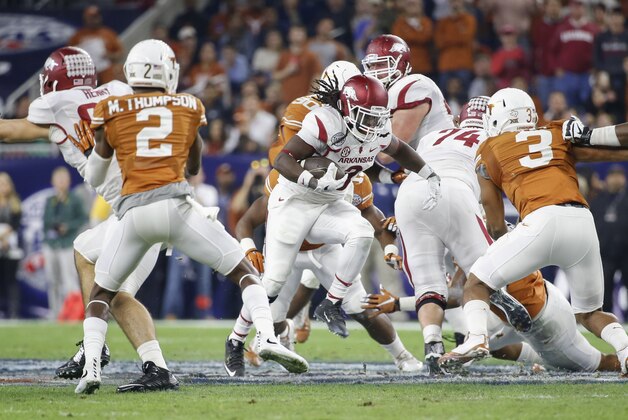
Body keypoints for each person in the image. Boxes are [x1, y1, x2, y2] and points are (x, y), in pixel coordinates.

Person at [76, 39, 307, 394]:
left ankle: (91, 368)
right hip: (177, 206)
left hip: (134, 213)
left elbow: (94, 176)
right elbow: (195, 164)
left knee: (100, 294)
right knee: (245, 274)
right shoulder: (187, 104)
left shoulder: (112, 107)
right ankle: (264, 336)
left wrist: (97, 147)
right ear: (167, 70)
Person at [0, 46, 183, 392]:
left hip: (136, 208)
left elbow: (9, 131)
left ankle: (142, 362)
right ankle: (96, 344)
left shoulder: (54, 106)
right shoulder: (118, 90)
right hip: (154, 200)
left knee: (115, 292)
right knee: (86, 251)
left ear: (53, 80)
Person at [439, 88, 628, 375]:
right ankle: (625, 350)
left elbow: (494, 222)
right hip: (582, 220)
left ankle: (476, 338)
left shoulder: (489, 148)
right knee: (590, 313)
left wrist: (508, 239)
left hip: (541, 220)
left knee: (477, 284)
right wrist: (588, 134)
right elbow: (613, 146)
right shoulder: (556, 132)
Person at [266, 73, 441, 339]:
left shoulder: (372, 140)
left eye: (376, 116)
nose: (372, 123)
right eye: (366, 115)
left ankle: (331, 304)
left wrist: (428, 173)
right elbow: (282, 160)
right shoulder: (324, 122)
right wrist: (309, 179)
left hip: (329, 210)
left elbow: (399, 149)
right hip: (296, 202)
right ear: (347, 110)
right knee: (273, 284)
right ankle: (240, 336)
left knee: (360, 234)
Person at [228, 170, 421, 376]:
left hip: (326, 248)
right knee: (273, 318)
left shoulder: (355, 180)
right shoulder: (287, 174)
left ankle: (402, 355)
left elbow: (376, 223)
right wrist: (249, 248)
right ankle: (282, 330)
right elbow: (247, 220)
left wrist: (390, 250)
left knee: (359, 304)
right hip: (285, 248)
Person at [394, 96, 532, 372]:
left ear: (459, 119)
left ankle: (432, 345)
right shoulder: (492, 140)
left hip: (409, 195)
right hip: (455, 190)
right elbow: (490, 199)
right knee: (483, 272)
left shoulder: (433, 135)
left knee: (428, 285)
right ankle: (500, 302)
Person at [365, 270, 623, 373]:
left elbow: (456, 294)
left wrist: (400, 304)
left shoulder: (483, 231)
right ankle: (539, 358)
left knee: (600, 364)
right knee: (500, 348)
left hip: (540, 314)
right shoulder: (476, 230)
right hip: (527, 308)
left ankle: (622, 355)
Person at [361, 34, 455, 164]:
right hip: (430, 163)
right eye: (371, 65)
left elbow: (387, 153)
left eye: (381, 64)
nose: (374, 71)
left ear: (401, 64)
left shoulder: (413, 86)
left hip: (445, 159)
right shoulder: (385, 95)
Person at [42, 166, 87, 319]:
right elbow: (46, 222)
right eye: (58, 179)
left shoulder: (74, 199)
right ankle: (55, 313)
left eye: (63, 179)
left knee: (69, 279)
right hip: (52, 244)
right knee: (52, 280)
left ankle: (71, 313)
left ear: (68, 181)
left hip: (67, 243)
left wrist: (68, 227)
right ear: (53, 181)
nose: (61, 182)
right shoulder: (50, 200)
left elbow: (82, 218)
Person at [589, 165, 628, 315]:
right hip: (605, 253)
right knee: (605, 290)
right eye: (613, 175)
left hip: (626, 252)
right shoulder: (599, 199)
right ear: (607, 178)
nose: (616, 179)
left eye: (619, 175)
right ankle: (607, 320)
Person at [68, 5, 123, 84]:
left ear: (100, 17)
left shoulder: (109, 33)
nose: (94, 20)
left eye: (95, 17)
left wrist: (109, 56)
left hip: (106, 74)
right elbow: (69, 56)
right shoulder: (77, 36)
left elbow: (120, 53)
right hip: (86, 74)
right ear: (85, 19)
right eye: (90, 18)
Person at [273, 24, 322, 104]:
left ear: (305, 35)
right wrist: (287, 71)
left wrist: (311, 98)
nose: (298, 35)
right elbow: (275, 76)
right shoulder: (284, 55)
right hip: (286, 100)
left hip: (304, 100)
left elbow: (317, 76)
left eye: (300, 32)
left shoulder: (311, 55)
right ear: (289, 35)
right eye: (295, 32)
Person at [0, 172, 22, 319]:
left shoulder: (15, 202)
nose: (3, 187)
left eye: (5, 184)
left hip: (11, 246)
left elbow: (15, 224)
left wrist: (4, 238)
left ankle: (14, 313)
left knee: (11, 281)